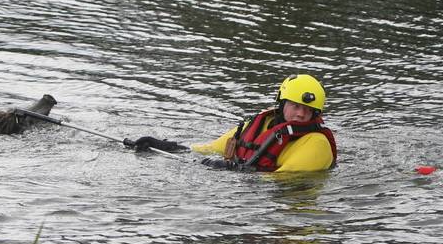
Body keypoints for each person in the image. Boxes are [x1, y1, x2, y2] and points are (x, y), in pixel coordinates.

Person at [129, 74, 337, 172]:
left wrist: (230, 169)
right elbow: (209, 149)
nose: (301, 114)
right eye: (295, 106)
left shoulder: (316, 144)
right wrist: (164, 146)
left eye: (308, 110)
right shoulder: (260, 124)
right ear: (281, 104)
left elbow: (286, 179)